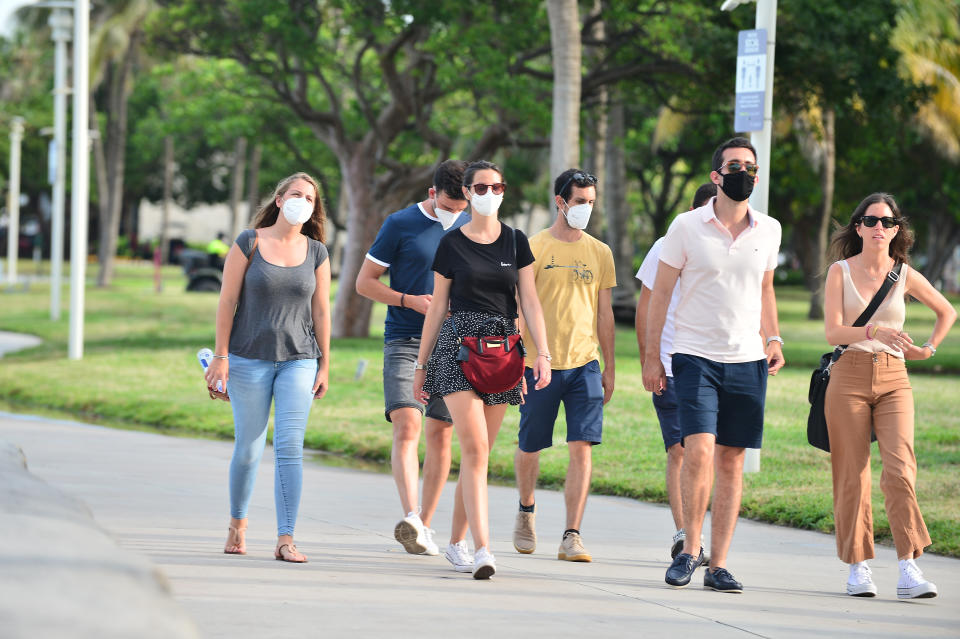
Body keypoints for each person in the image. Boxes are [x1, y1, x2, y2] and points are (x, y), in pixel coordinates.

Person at [642, 137, 784, 593]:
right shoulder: (685, 227)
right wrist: (650, 358)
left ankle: (719, 564)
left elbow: (765, 290)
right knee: (698, 451)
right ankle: (690, 551)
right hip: (693, 355)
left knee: (732, 460)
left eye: (749, 166)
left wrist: (774, 337)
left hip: (747, 359)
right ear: (716, 176)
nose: (742, 171)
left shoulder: (769, 230)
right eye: (733, 165)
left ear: (756, 177)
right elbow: (660, 295)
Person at [414, 160, 551, 579]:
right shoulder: (451, 243)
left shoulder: (516, 241)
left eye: (497, 187)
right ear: (468, 192)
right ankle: (483, 549)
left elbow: (529, 300)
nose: (490, 194)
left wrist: (541, 354)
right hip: (457, 349)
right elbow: (438, 305)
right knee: (474, 450)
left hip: (503, 351)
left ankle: (456, 542)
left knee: (481, 455)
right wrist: (421, 365)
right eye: (482, 187)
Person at [823, 193, 955, 599]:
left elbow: (947, 311)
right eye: (871, 220)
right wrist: (874, 331)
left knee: (900, 471)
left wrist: (926, 349)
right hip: (848, 377)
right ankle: (858, 568)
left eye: (888, 221)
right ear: (858, 227)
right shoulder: (839, 272)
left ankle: (908, 567)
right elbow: (833, 332)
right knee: (853, 476)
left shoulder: (905, 274)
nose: (880, 227)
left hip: (895, 377)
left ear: (897, 229)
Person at [204, 172, 330, 564]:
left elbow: (321, 309)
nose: (302, 202)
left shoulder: (317, 252)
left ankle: (285, 538)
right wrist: (221, 357)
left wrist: (325, 363)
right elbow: (226, 302)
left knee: (290, 448)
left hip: (299, 359)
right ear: (279, 200)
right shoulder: (250, 242)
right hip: (247, 358)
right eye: (296, 194)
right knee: (248, 449)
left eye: (309, 198)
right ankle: (237, 525)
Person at [355, 160, 471, 564]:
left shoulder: (475, 225)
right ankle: (410, 516)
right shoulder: (400, 224)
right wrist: (408, 301)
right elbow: (364, 282)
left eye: (462, 207)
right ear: (431, 193)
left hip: (455, 345)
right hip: (405, 338)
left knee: (441, 435)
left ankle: (423, 524)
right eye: (449, 205)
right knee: (408, 422)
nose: (455, 213)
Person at [511, 169, 616, 563]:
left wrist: (609, 367)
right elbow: (520, 307)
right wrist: (522, 356)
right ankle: (526, 509)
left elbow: (605, 315)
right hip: (539, 364)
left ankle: (572, 534)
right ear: (560, 201)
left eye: (591, 202)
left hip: (585, 364)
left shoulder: (600, 252)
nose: (585, 209)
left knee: (582, 446)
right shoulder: (532, 247)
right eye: (579, 202)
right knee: (531, 444)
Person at [636, 182, 717, 561]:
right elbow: (646, 305)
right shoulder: (667, 244)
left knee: (709, 451)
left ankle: (699, 535)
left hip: (716, 364)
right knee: (680, 450)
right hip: (671, 363)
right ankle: (686, 535)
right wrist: (649, 360)